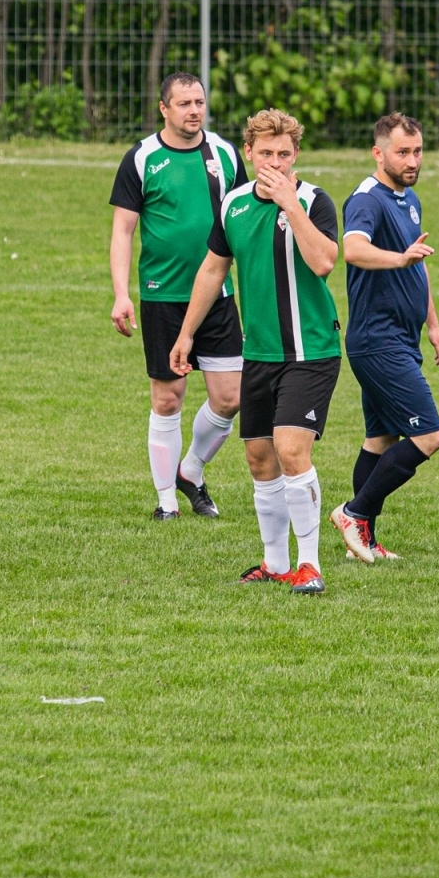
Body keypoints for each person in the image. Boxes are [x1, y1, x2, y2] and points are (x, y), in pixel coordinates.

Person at [171, 109, 339, 595]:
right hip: (259, 353)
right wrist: (186, 335)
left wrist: (291, 206)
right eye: (266, 153)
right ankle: (274, 562)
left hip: (311, 351)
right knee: (260, 459)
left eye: (284, 154)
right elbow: (211, 271)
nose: (275, 162)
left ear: (296, 156)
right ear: (248, 154)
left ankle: (310, 565)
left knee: (291, 450)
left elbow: (325, 261)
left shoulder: (312, 200)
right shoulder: (234, 204)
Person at [110, 73, 247, 521]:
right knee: (168, 398)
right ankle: (166, 499)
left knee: (230, 397)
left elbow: (245, 217)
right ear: (163, 108)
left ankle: (191, 469)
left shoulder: (224, 154)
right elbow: (123, 230)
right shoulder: (143, 158)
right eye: (184, 102)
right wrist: (121, 293)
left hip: (219, 295)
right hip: (162, 296)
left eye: (200, 102)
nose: (194, 110)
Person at [329, 114, 439, 563]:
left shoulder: (409, 197)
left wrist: (432, 324)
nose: (413, 160)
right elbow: (353, 249)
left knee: (379, 440)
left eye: (417, 151)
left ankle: (362, 540)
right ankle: (353, 513)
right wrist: (400, 259)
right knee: (429, 436)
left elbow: (417, 262)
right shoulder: (367, 199)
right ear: (378, 153)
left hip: (402, 337)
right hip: (376, 341)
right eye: (403, 152)